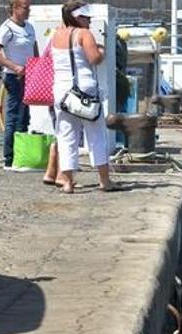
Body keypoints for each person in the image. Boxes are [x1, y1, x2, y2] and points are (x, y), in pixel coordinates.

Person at [51, 2, 118, 193]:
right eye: (87, 17)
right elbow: (94, 58)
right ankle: (104, 181)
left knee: (66, 135)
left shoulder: (56, 34)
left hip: (62, 92)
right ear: (77, 17)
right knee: (96, 135)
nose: (89, 21)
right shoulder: (84, 34)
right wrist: (102, 51)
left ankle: (67, 182)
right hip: (84, 90)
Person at [0, 0, 36, 170]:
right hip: (14, 77)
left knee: (25, 116)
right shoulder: (7, 28)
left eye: (29, 7)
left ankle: (21, 156)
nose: (28, 10)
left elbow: (33, 50)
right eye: (25, 7)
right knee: (14, 116)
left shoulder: (29, 27)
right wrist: (15, 67)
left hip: (29, 76)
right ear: (15, 8)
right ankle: (9, 158)